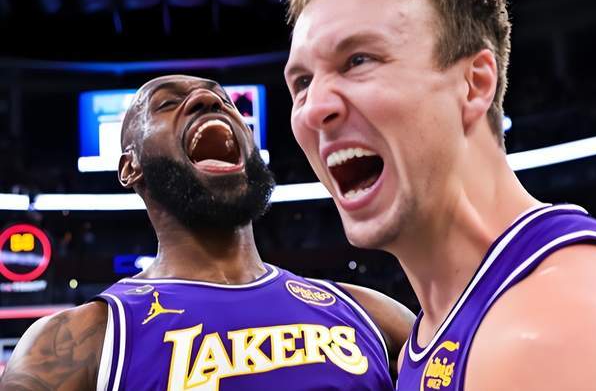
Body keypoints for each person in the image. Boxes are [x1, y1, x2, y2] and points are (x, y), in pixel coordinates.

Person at [283, 0, 596, 390]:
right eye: (302, 82)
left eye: (357, 61)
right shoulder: (439, 330)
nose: (314, 108)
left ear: (474, 84)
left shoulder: (562, 330)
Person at [0, 75, 414, 390]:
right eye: (167, 104)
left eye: (225, 101)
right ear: (130, 167)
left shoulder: (371, 313)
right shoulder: (79, 343)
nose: (208, 100)